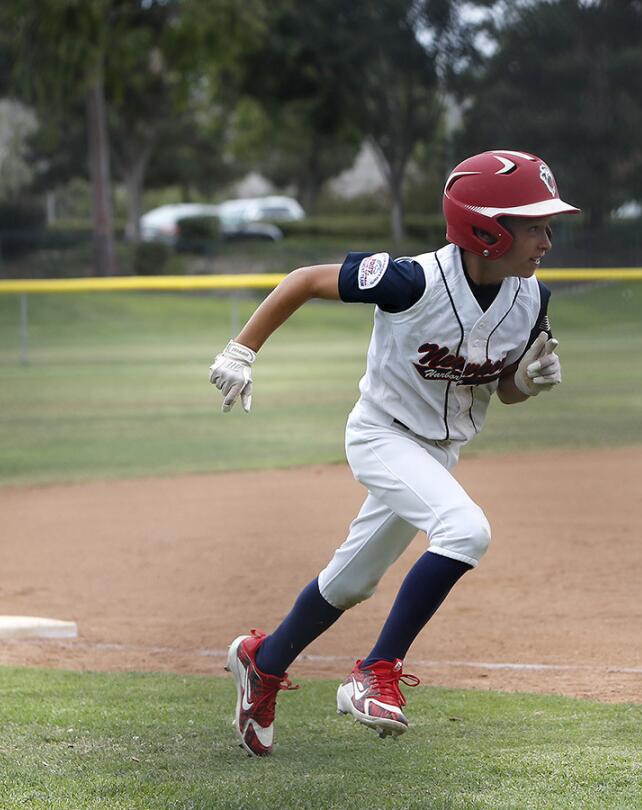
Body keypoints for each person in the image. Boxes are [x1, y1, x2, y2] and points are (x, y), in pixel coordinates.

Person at [208, 149, 578, 756]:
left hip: (437, 454)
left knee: (350, 582)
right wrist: (242, 350)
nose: (547, 238)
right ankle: (375, 670)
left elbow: (501, 389)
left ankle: (262, 663)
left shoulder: (531, 299)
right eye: (534, 224)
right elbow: (304, 280)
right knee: (465, 531)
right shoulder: (412, 280)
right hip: (382, 436)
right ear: (486, 229)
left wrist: (526, 385)